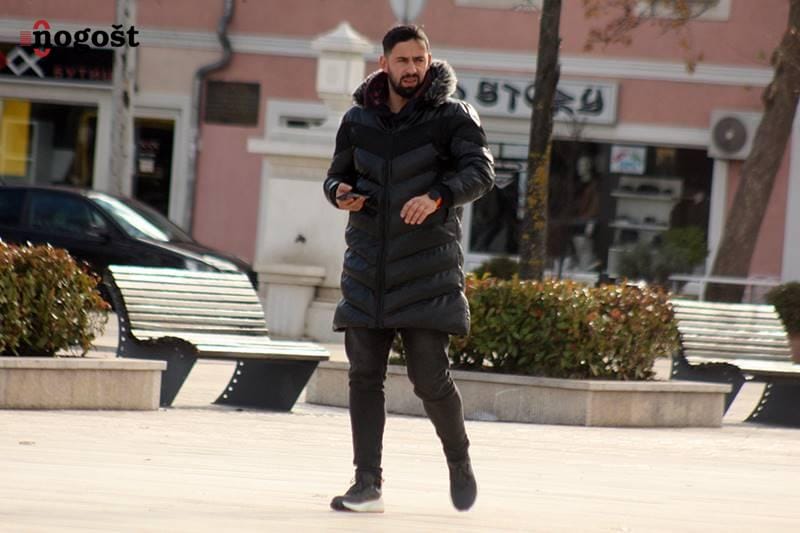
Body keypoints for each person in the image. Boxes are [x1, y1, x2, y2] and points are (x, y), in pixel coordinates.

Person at [322, 24, 495, 513]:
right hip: (367, 269)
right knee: (363, 377)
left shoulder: (452, 116)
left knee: (429, 380)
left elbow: (481, 172)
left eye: (420, 59)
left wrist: (438, 195)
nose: (413, 69)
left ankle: (458, 460)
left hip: (427, 271)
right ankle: (367, 483)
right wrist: (339, 193)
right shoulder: (357, 119)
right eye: (403, 60)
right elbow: (336, 175)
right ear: (384, 64)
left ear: (429, 60)